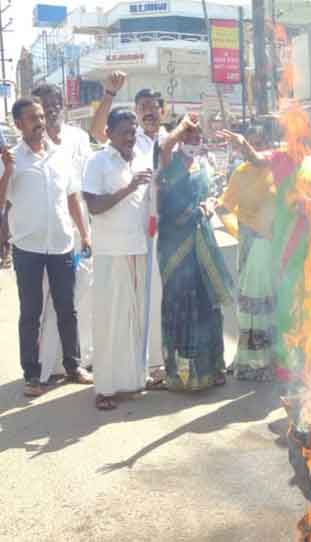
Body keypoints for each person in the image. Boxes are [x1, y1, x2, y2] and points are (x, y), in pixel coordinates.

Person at [0, 98, 93, 398]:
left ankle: (73, 365)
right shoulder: (11, 159)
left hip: (62, 245)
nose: (39, 122)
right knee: (31, 313)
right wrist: (7, 172)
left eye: (40, 116)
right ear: (18, 124)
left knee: (68, 309)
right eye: (31, 118)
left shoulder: (60, 156)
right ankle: (31, 375)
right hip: (28, 247)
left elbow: (72, 198)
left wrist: (85, 234)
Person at [90, 72, 166, 370]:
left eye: (152, 105)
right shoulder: (133, 143)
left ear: (163, 110)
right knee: (144, 297)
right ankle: (142, 363)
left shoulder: (175, 137)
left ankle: (162, 359)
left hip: (174, 231)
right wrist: (109, 93)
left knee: (166, 297)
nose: (147, 110)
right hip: (139, 235)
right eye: (142, 105)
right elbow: (97, 131)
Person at [83, 109, 156, 410]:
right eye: (125, 131)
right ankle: (105, 388)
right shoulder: (97, 161)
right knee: (109, 321)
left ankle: (132, 380)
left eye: (133, 131)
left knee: (133, 321)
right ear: (109, 132)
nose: (130, 136)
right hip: (109, 252)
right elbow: (94, 205)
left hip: (137, 247)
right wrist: (129, 188)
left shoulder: (140, 156)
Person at [156, 115, 234, 391]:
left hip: (202, 241)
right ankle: (183, 374)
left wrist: (210, 204)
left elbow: (213, 194)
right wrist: (181, 126)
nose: (194, 140)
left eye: (198, 135)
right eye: (189, 135)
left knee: (207, 305)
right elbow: (164, 146)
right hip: (176, 245)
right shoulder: (170, 162)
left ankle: (212, 368)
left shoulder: (204, 165)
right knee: (180, 306)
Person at [32, 83, 95, 383]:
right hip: (45, 235)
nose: (52, 108)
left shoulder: (79, 138)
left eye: (56, 102)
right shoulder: (32, 144)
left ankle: (79, 358)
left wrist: (86, 232)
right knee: (48, 301)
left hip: (80, 228)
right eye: (45, 104)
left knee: (80, 295)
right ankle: (47, 363)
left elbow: (82, 187)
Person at [216, 129, 283, 381]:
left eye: (262, 142)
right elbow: (224, 207)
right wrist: (243, 233)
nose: (257, 147)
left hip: (275, 247)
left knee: (272, 303)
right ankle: (253, 361)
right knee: (253, 302)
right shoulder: (241, 174)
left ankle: (271, 359)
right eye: (252, 144)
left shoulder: (277, 170)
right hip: (253, 246)